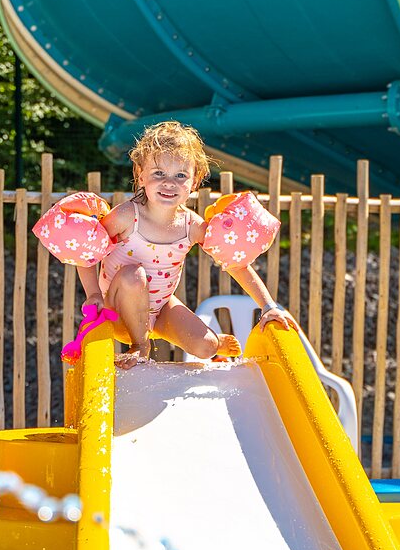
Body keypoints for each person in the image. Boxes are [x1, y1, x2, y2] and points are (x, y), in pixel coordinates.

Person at [35, 120, 294, 369]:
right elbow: (87, 252)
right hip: (118, 310)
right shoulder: (127, 216)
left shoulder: (192, 225)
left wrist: (268, 305)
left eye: (180, 175)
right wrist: (93, 294)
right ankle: (140, 345)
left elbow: (235, 264)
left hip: (160, 308)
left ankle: (213, 344)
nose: (169, 183)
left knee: (204, 347)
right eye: (159, 173)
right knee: (132, 275)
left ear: (195, 181)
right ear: (140, 175)